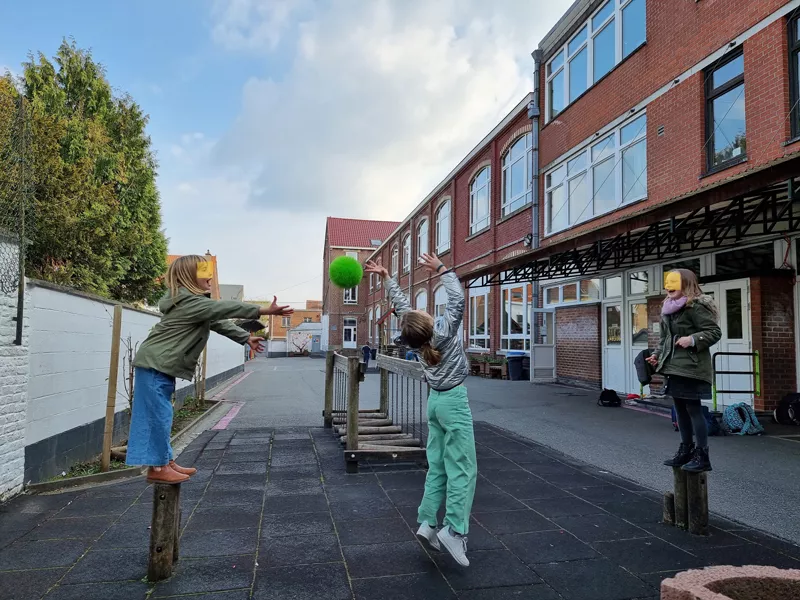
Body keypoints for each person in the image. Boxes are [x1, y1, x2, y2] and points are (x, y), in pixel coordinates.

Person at [127, 255, 293, 483]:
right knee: (158, 416)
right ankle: (157, 468)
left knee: (163, 414)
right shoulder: (190, 303)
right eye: (204, 272)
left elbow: (217, 321)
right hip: (155, 363)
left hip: (159, 364)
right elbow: (222, 308)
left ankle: (165, 460)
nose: (210, 277)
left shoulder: (192, 304)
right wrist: (262, 311)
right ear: (189, 277)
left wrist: (245, 337)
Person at [365, 253, 475, 567]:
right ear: (427, 321)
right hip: (453, 401)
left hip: (435, 403)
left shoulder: (416, 339)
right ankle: (454, 531)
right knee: (463, 469)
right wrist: (441, 268)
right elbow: (457, 297)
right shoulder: (444, 330)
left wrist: (386, 277)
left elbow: (403, 308)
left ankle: (427, 522)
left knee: (438, 465)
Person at [647, 269, 720, 473]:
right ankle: (686, 450)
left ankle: (702, 455)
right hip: (674, 366)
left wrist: (693, 339)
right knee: (679, 409)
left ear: (686, 284)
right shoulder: (668, 308)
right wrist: (656, 355)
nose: (668, 287)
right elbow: (665, 339)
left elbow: (714, 332)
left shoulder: (696, 306)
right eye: (667, 283)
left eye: (673, 283)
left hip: (692, 366)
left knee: (693, 409)